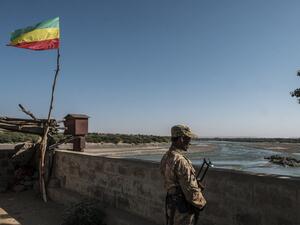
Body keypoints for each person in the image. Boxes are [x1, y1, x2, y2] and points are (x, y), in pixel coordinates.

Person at [160, 125, 206, 225]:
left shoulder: (166, 157)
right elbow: (190, 189)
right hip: (182, 208)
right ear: (181, 139)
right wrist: (201, 203)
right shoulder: (180, 160)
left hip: (171, 204)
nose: (190, 142)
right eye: (188, 139)